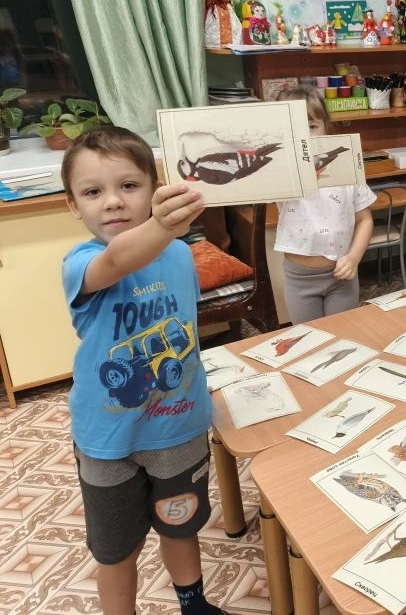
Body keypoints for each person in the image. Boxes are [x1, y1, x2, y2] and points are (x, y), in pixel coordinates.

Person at [59, 126, 229, 615]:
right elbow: (119, 259)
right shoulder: (82, 263)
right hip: (107, 439)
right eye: (93, 192)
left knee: (181, 526)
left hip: (178, 428)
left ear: (155, 188)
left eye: (129, 186)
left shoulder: (179, 253)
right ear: (73, 205)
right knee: (116, 551)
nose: (113, 201)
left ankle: (194, 604)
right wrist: (163, 225)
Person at [274, 87, 376, 323]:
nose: (305, 137)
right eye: (295, 129)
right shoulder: (283, 172)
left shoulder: (347, 170)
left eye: (311, 126)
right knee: (309, 337)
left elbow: (365, 220)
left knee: (344, 334)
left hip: (342, 277)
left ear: (326, 127)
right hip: (300, 279)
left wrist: (354, 258)